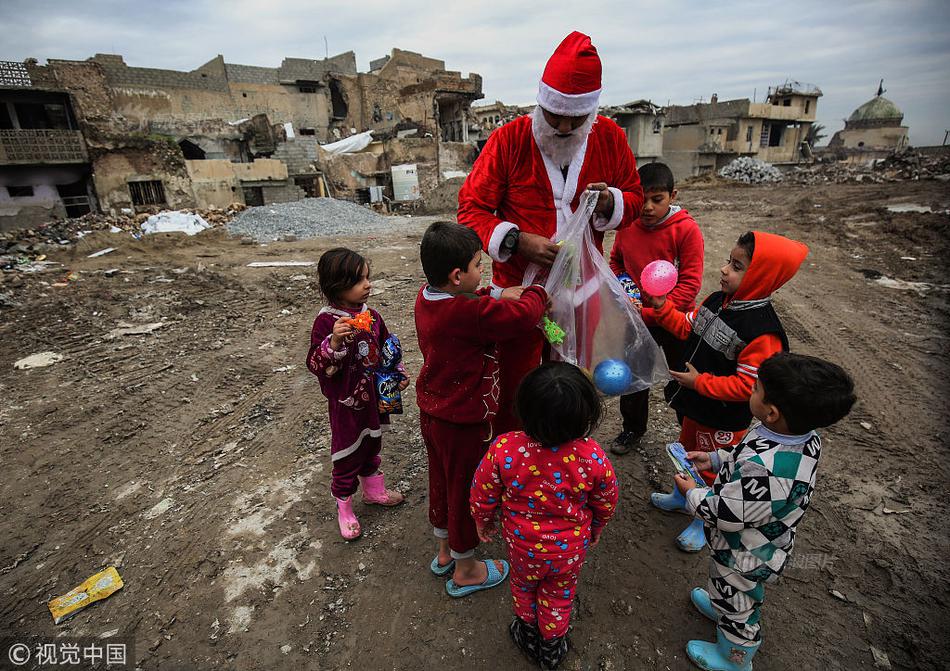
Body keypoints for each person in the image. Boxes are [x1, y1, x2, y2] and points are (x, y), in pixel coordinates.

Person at [458, 31, 643, 433]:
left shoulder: (610, 137)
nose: (561, 126)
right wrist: (515, 240)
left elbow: (636, 199)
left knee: (571, 383)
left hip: (582, 295)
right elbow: (470, 208)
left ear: (591, 113)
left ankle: (564, 457)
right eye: (553, 114)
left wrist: (611, 202)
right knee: (518, 383)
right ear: (540, 103)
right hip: (519, 294)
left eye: (574, 119)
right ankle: (512, 456)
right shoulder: (508, 140)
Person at [673, 353, 856, 670]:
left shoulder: (767, 472)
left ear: (771, 412)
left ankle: (735, 655)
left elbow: (725, 513)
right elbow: (746, 451)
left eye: (755, 388)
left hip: (747, 551)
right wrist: (715, 459)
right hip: (755, 540)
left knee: (739, 602)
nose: (750, 392)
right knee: (727, 588)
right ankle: (721, 605)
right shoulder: (798, 437)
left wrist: (692, 493)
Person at [641, 231, 809, 552]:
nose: (723, 269)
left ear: (760, 276)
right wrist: (662, 308)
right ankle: (682, 495)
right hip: (698, 406)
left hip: (722, 418)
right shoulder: (718, 301)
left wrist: (698, 382)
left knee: (713, 468)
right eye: (728, 261)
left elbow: (747, 386)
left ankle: (704, 521)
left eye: (736, 265)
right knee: (686, 449)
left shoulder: (762, 333)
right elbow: (688, 325)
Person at [414, 221, 548, 597]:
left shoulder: (427, 298)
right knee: (464, 490)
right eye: (478, 265)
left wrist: (500, 292)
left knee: (441, 481)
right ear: (457, 276)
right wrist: (536, 293)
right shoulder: (469, 314)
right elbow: (521, 317)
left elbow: (478, 299)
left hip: (434, 413)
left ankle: (445, 551)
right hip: (463, 422)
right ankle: (466, 568)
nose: (482, 272)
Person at [471, 362, 619, 670]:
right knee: (559, 595)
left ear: (523, 409)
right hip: (569, 549)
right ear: (586, 416)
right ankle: (552, 648)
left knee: (524, 587)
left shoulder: (505, 448)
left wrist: (481, 518)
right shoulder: (592, 456)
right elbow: (605, 499)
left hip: (523, 545)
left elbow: (483, 488)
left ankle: (527, 633)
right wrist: (599, 526)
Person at [306, 248, 408, 540]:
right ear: (336, 286)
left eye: (367, 277)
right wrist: (334, 342)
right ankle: (344, 506)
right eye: (358, 281)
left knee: (372, 444)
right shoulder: (327, 323)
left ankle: (374, 491)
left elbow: (387, 346)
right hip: (346, 404)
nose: (367, 285)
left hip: (374, 398)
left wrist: (398, 374)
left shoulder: (372, 316)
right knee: (347, 453)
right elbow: (316, 363)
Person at [608, 161, 704, 455]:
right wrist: (625, 288)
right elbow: (616, 262)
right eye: (643, 199)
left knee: (682, 378)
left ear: (673, 195)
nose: (647, 207)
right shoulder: (628, 228)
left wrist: (653, 312)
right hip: (637, 320)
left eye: (657, 199)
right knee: (634, 377)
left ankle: (689, 435)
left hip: (676, 322)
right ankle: (632, 429)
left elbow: (690, 283)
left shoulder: (686, 231)